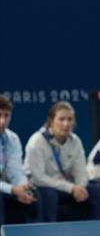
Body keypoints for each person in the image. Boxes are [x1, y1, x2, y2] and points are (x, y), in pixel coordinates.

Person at [24, 101, 100, 221]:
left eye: (70, 119)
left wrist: (80, 188)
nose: (66, 124)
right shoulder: (37, 141)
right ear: (51, 121)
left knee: (95, 193)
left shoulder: (75, 141)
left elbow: (81, 172)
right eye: (61, 119)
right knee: (49, 195)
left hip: (69, 187)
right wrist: (71, 188)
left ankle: (97, 231)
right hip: (43, 187)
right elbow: (38, 178)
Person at [0, 95, 42, 227]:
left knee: (33, 195)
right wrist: (13, 189)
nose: (2, 121)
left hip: (7, 186)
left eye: (6, 116)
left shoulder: (13, 138)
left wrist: (23, 186)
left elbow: (15, 170)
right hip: (4, 188)